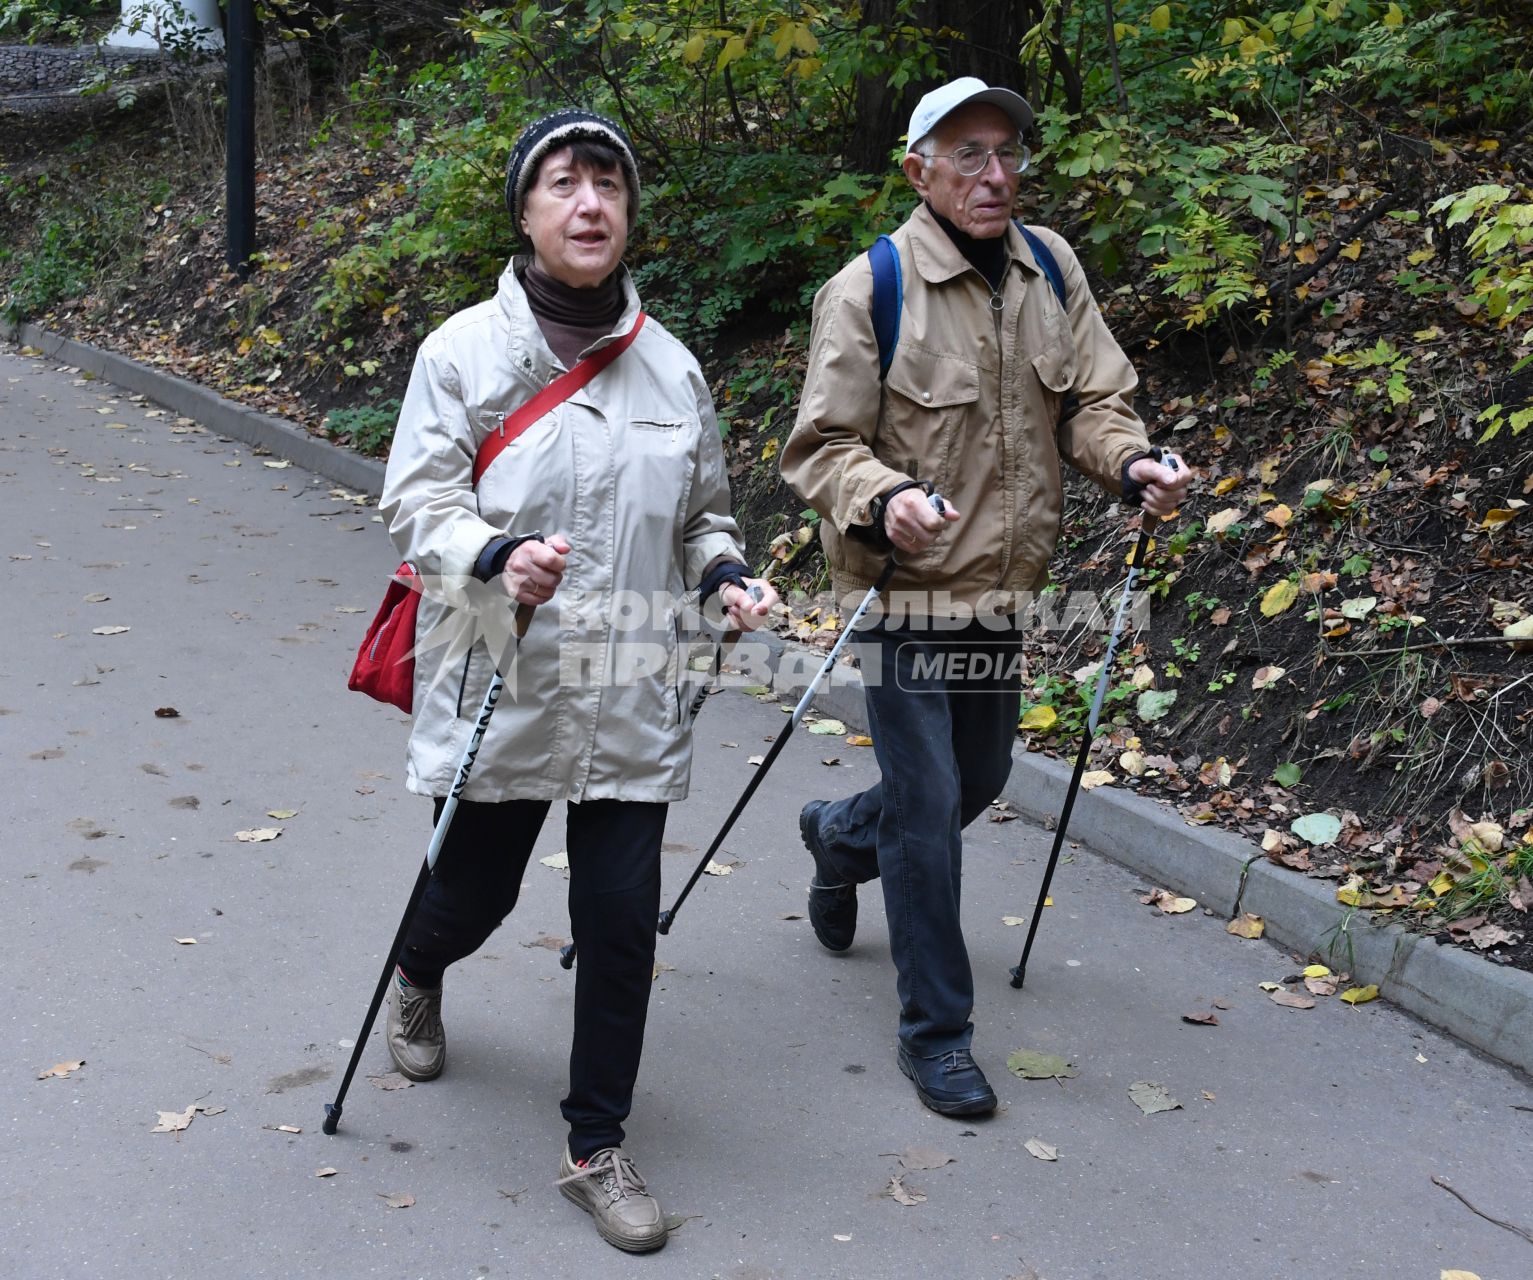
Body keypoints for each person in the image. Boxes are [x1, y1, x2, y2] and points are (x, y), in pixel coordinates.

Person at [378, 107, 776, 1254]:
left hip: (630, 691)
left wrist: (729, 578)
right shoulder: (463, 353)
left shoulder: (673, 364)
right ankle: (418, 966)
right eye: (564, 182)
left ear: (629, 209)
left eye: (608, 182)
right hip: (506, 674)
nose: (589, 202)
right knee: (474, 896)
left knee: (618, 922)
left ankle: (594, 1140)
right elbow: (419, 509)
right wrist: (499, 555)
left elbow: (703, 516)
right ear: (527, 210)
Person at [779, 78, 1191, 1118]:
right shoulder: (868, 289)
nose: (996, 174)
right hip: (909, 594)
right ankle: (938, 1035)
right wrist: (885, 499)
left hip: (1006, 592)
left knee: (973, 783)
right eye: (969, 154)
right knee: (927, 816)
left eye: (1007, 152)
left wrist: (1133, 462)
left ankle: (833, 834)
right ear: (919, 169)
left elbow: (1096, 399)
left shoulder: (1051, 267)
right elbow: (822, 448)